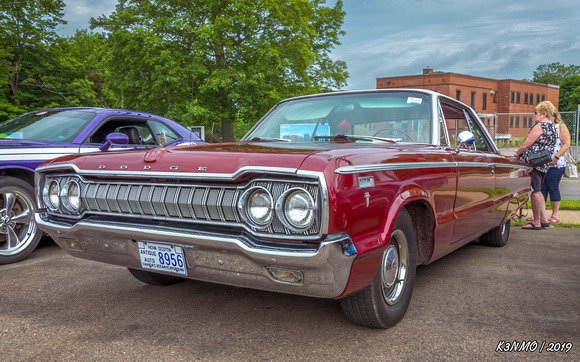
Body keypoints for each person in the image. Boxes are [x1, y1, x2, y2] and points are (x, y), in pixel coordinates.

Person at [514, 101, 557, 230]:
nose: (534, 115)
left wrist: (518, 152)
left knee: (535, 191)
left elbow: (527, 144)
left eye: (536, 113)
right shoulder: (553, 127)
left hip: (534, 161)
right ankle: (544, 219)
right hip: (544, 162)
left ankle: (536, 221)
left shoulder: (540, 126)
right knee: (539, 190)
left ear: (543, 114)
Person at [541, 110, 571, 223]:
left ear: (554, 116)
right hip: (542, 163)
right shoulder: (541, 127)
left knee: (553, 187)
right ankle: (540, 215)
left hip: (556, 164)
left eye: (549, 116)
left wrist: (556, 157)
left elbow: (567, 143)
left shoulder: (560, 126)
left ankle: (554, 215)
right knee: (541, 189)